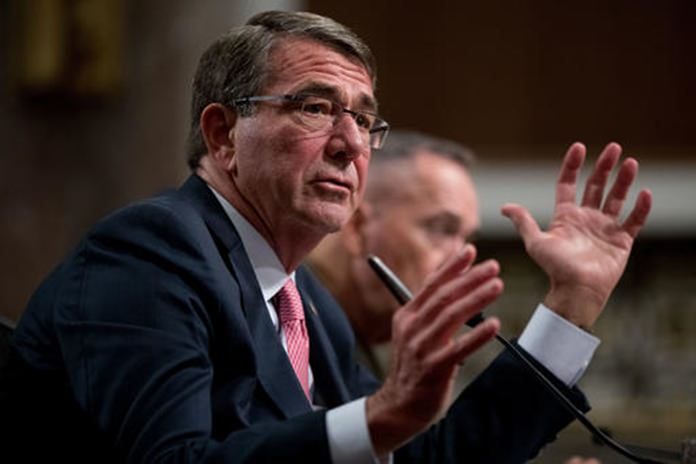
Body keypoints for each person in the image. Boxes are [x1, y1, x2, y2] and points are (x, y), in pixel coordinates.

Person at [0, 10, 652, 464]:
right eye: (315, 108)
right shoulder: (150, 253)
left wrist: (571, 303)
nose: (350, 145)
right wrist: (381, 415)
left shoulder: (306, 303)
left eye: (364, 120)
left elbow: (422, 461)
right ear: (223, 135)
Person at [308, 130, 480, 379]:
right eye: (442, 229)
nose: (462, 262)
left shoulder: (344, 344)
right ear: (358, 228)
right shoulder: (286, 328)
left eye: (467, 239)